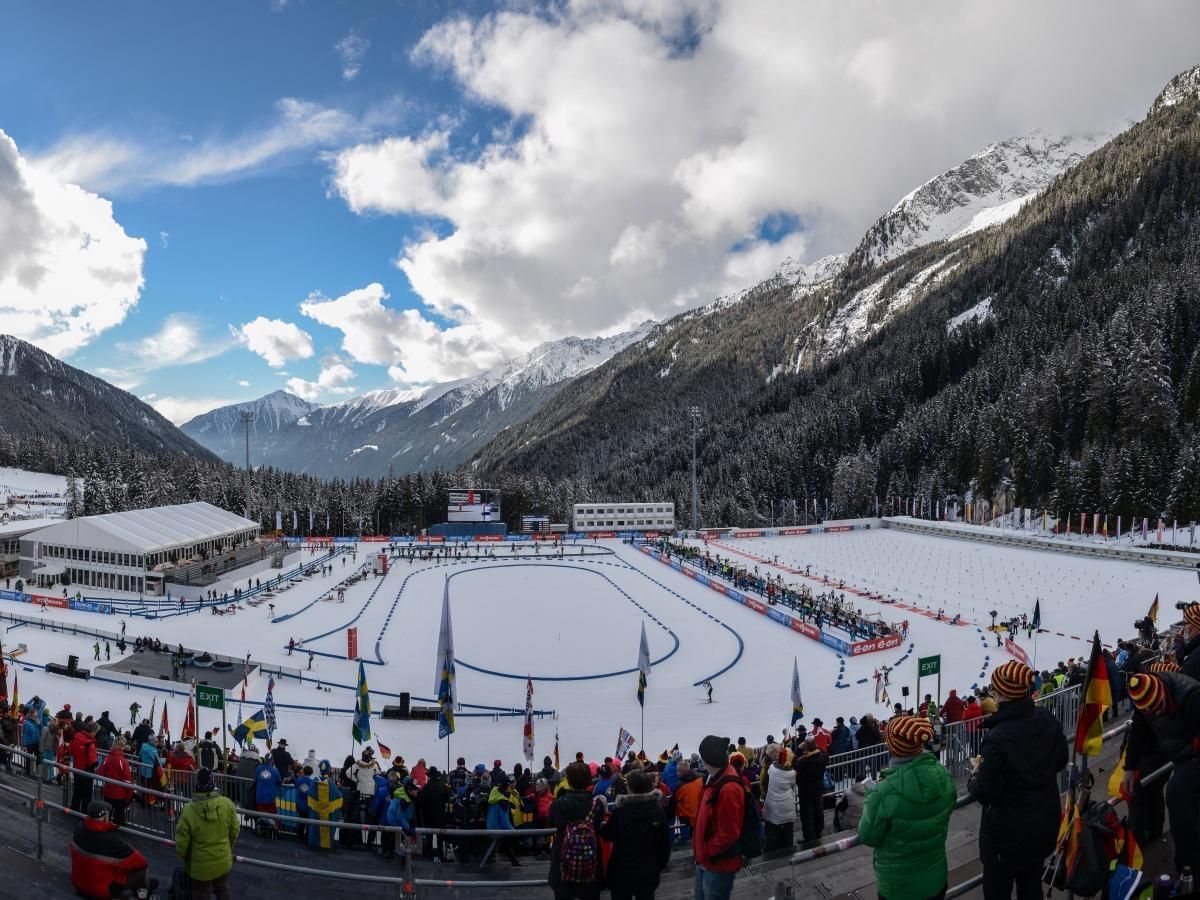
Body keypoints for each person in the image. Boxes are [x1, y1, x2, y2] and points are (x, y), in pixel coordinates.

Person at [967, 660, 1068, 900]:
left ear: (1002, 694)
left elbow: (987, 792)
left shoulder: (997, 738)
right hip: (1043, 824)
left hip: (1007, 837)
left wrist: (974, 776)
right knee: (1032, 887)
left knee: (997, 892)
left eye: (994, 689)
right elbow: (1061, 760)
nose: (992, 693)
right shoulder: (1046, 718)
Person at [858, 716, 956, 900]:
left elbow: (868, 836)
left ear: (892, 747)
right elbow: (949, 804)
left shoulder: (883, 792)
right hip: (936, 879)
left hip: (899, 889)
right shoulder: (942, 774)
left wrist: (872, 795)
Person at [1123, 672, 1200, 875]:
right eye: (1151, 712)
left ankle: (1187, 867)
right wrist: (1129, 767)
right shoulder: (1145, 699)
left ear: (1163, 691)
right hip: (1180, 754)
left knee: (1176, 793)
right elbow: (1138, 731)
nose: (1157, 713)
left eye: (1160, 707)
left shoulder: (1191, 695)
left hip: (1194, 753)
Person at [600, 768, 671, 900]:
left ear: (630, 788)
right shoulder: (657, 810)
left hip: (621, 871)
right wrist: (658, 866)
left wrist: (602, 817)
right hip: (648, 870)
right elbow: (665, 843)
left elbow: (607, 835)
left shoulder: (620, 812)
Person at [693, 734, 746, 900]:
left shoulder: (728, 789)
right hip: (705, 860)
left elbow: (729, 833)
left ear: (709, 761)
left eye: (703, 758)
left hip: (717, 865)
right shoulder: (714, 777)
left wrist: (705, 851)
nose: (701, 761)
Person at [70, 801, 156, 899]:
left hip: (78, 883)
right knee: (141, 870)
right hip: (101, 889)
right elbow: (141, 862)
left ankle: (141, 886)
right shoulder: (110, 840)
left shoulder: (79, 828)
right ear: (105, 817)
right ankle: (143, 891)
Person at [176, 767, 239, 900]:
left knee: (201, 893)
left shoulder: (188, 811)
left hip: (199, 866)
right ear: (213, 784)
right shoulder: (227, 804)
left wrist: (182, 855)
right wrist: (229, 846)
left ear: (197, 785)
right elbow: (235, 830)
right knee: (223, 890)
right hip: (222, 859)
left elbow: (182, 840)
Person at [548, 760, 606, 900]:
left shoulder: (557, 805)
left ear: (569, 781)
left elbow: (550, 824)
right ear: (589, 781)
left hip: (563, 862)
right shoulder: (597, 804)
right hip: (591, 864)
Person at [762, 746, 798, 852]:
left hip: (772, 805)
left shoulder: (772, 769)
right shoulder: (792, 774)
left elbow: (769, 770)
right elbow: (793, 786)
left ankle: (771, 849)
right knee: (788, 829)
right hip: (787, 805)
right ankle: (788, 848)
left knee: (771, 829)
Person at [793, 738, 828, 842]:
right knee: (818, 809)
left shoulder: (802, 762)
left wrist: (799, 749)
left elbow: (794, 762)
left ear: (806, 748)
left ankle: (809, 836)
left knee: (806, 814)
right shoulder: (823, 757)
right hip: (818, 788)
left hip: (805, 791)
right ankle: (819, 830)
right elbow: (824, 752)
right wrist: (814, 746)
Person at [98, 737, 136, 827]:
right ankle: (118, 833)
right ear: (122, 747)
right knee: (119, 817)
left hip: (108, 792)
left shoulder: (107, 758)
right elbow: (127, 780)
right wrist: (130, 794)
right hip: (119, 795)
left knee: (107, 814)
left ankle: (106, 831)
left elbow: (101, 772)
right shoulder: (123, 761)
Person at [69, 721, 100, 812]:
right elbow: (92, 759)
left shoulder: (77, 736)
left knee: (77, 791)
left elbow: (71, 750)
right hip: (87, 770)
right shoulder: (90, 743)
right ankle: (84, 812)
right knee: (87, 793)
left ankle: (74, 809)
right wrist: (96, 765)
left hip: (77, 767)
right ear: (93, 731)